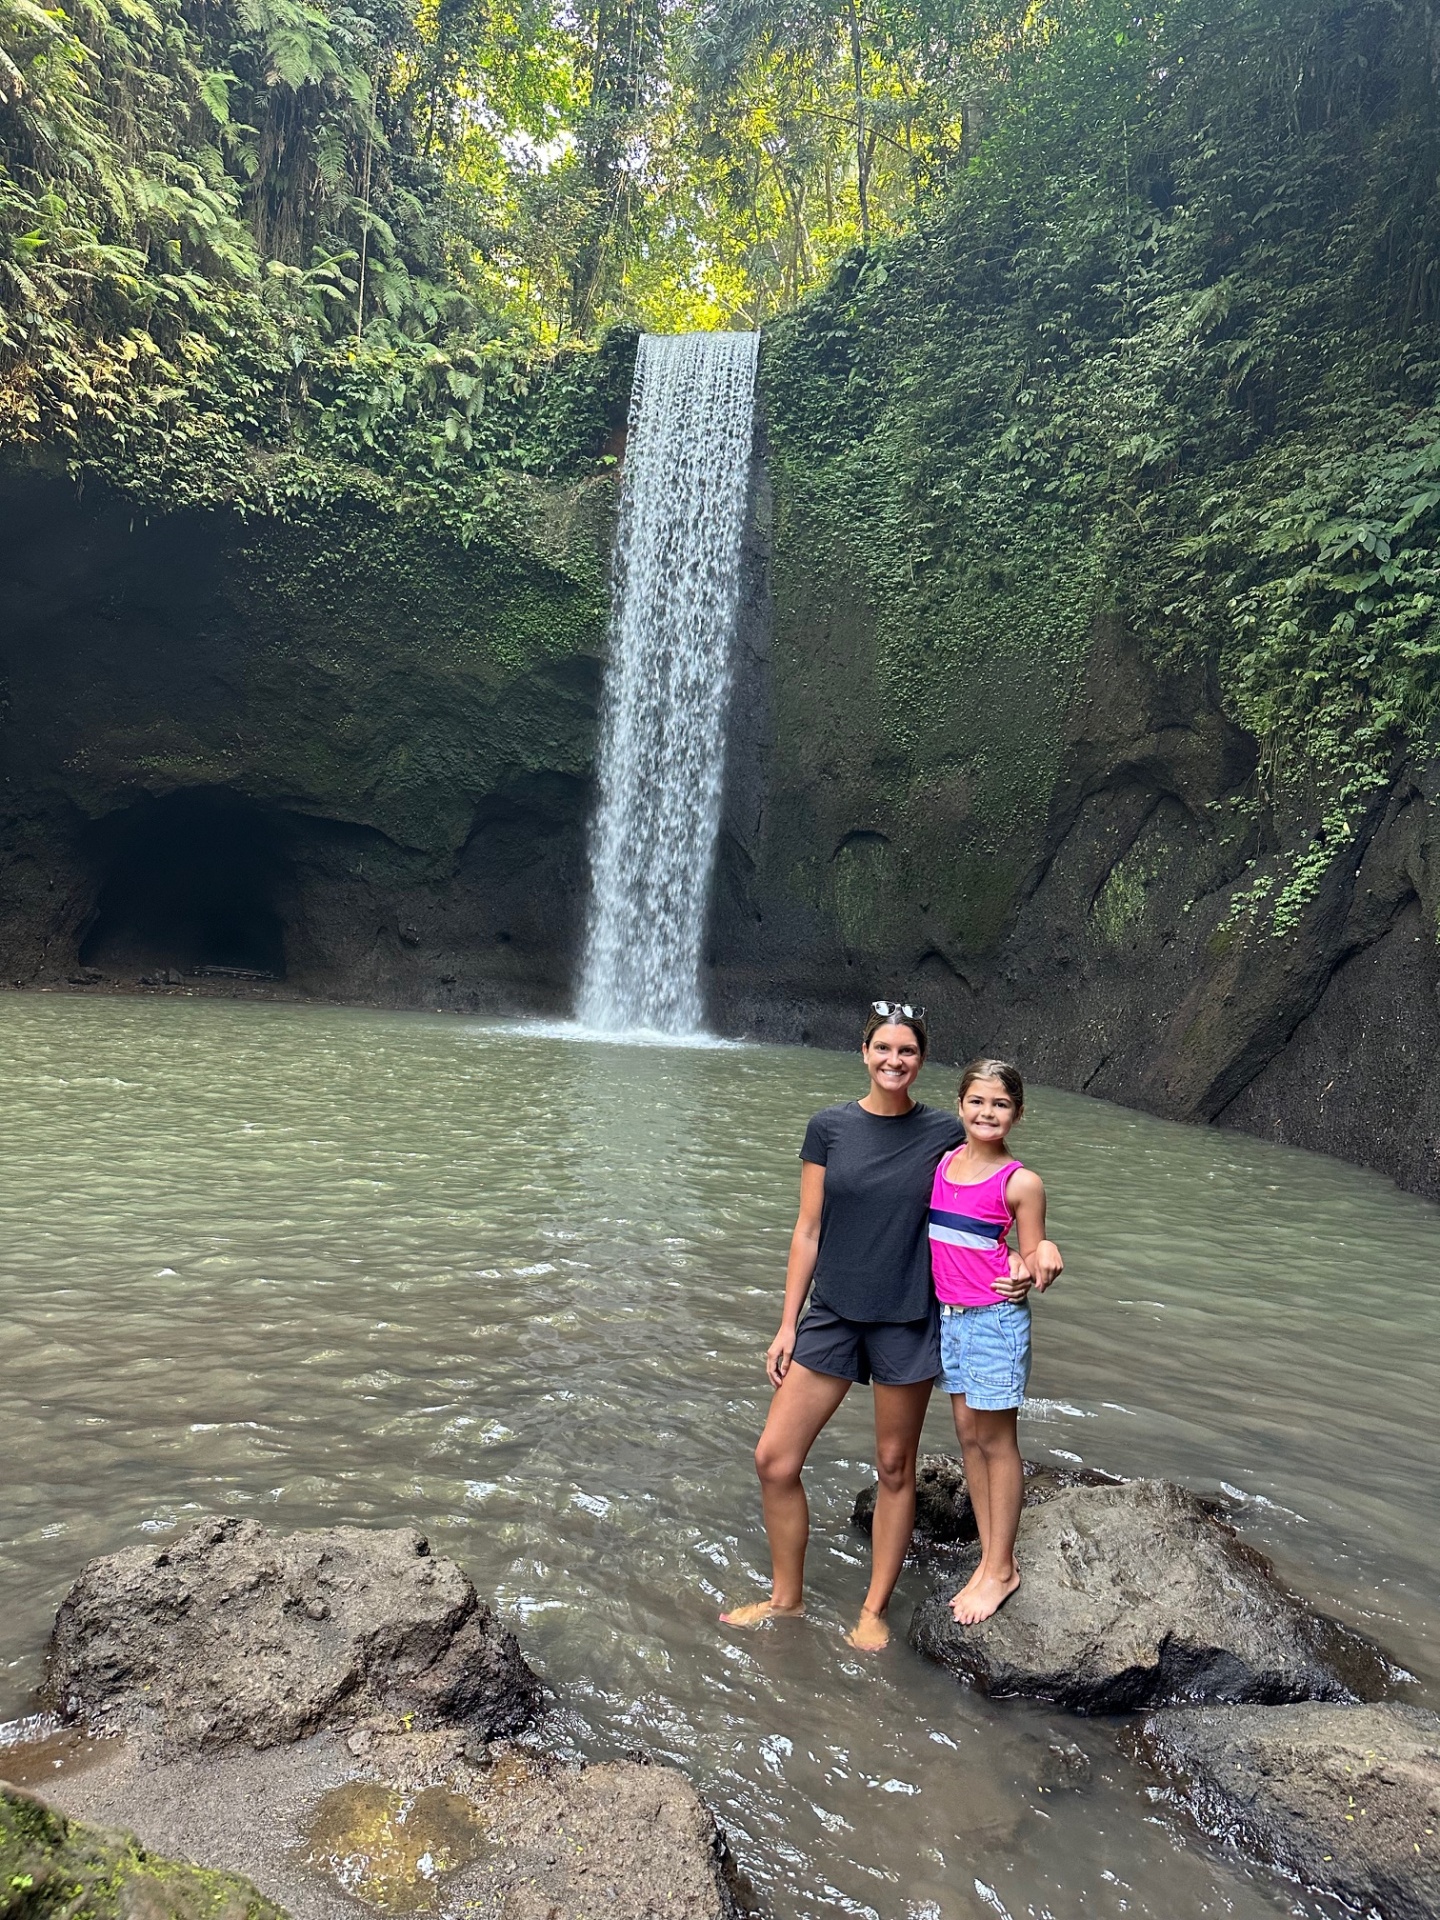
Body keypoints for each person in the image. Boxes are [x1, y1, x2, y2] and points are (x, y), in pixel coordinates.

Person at [721, 1001, 1021, 1651]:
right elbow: (807, 1229)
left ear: (921, 1060)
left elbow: (998, 1187)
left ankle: (874, 1609)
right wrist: (786, 1324)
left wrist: (1031, 1251)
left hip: (908, 1314)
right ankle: (786, 1599)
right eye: (882, 1049)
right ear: (864, 1053)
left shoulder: (946, 1131)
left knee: (893, 1466)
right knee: (774, 1459)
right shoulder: (829, 1128)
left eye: (906, 1051)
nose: (893, 1060)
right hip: (832, 1312)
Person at [931, 1056, 1062, 1624]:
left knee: (996, 1439)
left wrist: (1042, 1256)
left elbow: (1033, 1251)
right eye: (978, 1101)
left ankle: (1002, 1569)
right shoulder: (944, 1162)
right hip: (951, 1319)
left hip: (994, 1321)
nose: (987, 1112)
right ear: (960, 1105)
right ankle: (989, 1559)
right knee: (967, 1434)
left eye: (1000, 1104)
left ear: (1017, 1114)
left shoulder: (1020, 1182)